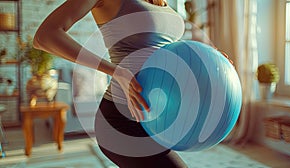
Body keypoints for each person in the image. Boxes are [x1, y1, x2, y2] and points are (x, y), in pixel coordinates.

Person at [34, 0, 187, 167]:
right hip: (122, 118)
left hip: (157, 118)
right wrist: (116, 71)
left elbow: (162, 50)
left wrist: (209, 60)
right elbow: (45, 36)